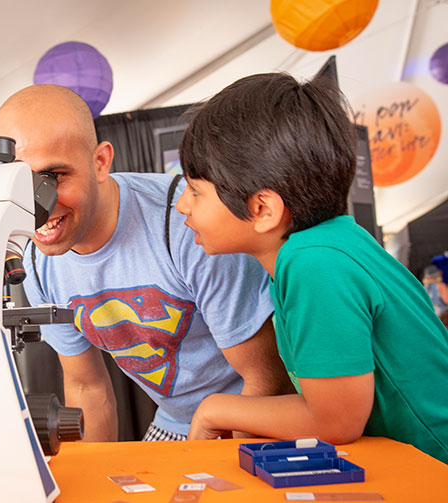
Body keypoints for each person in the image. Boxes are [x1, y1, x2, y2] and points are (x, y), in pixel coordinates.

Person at [0, 84, 294, 441]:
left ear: (100, 161)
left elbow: (264, 378)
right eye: (18, 182)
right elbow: (88, 388)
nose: (37, 206)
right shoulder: (35, 261)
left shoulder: (189, 222)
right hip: (176, 422)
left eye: (53, 177)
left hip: (263, 416)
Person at [176, 72, 448, 463]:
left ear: (262, 209)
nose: (183, 206)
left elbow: (336, 421)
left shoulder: (313, 264)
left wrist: (216, 408)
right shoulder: (331, 245)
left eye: (196, 191)